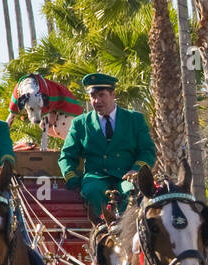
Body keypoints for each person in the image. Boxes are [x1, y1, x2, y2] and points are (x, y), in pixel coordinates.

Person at [57, 72, 156, 223]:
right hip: (95, 178)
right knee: (93, 191)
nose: (97, 101)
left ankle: (127, 233)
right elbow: (66, 156)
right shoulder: (80, 123)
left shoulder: (134, 119)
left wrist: (136, 169)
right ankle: (101, 233)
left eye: (102, 95)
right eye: (93, 96)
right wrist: (73, 179)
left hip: (126, 175)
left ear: (113, 94)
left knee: (130, 192)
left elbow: (147, 151)